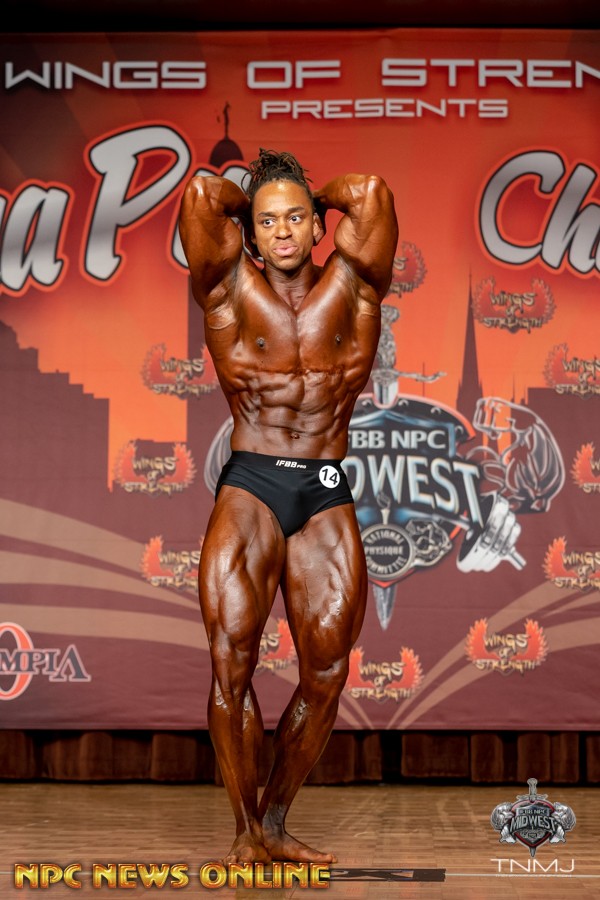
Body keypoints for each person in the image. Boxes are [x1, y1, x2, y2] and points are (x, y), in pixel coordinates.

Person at [179, 148, 398, 865]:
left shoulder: (355, 285)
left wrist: (306, 190)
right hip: (251, 484)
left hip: (324, 484)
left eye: (295, 218)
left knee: (327, 674)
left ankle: (274, 821)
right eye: (267, 221)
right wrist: (254, 202)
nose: (281, 232)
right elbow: (202, 194)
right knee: (231, 665)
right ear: (251, 229)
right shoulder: (226, 286)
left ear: (316, 226)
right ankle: (245, 831)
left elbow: (369, 188)